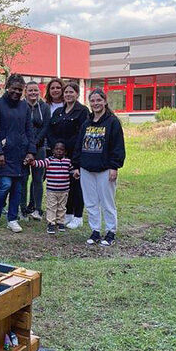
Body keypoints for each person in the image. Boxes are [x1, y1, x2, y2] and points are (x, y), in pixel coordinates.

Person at [72, 88, 126, 247]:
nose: (96, 103)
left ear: (105, 102)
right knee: (90, 202)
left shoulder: (112, 122)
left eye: (99, 100)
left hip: (105, 169)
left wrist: (114, 166)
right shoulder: (86, 123)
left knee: (107, 202)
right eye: (93, 101)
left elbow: (118, 146)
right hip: (86, 168)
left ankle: (110, 232)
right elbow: (79, 145)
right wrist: (76, 165)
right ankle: (95, 231)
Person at [0, 74, 35, 233]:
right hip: (3, 155)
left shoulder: (25, 107)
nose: (16, 92)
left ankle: (12, 219)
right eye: (13, 89)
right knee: (5, 185)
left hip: (20, 154)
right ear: (7, 87)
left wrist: (31, 151)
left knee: (18, 188)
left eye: (20, 90)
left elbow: (29, 130)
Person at [48, 81, 89, 229]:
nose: (68, 94)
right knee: (65, 186)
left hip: (75, 154)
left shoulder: (82, 111)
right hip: (60, 155)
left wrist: (67, 146)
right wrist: (56, 147)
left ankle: (78, 216)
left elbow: (82, 134)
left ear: (77, 94)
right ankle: (68, 214)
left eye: (71, 92)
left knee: (76, 185)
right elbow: (51, 130)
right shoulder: (58, 112)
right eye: (66, 92)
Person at [27, 141, 73, 234]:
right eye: (57, 149)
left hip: (64, 190)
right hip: (52, 190)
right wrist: (32, 162)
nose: (59, 151)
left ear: (65, 152)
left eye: (61, 150)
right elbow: (40, 163)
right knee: (51, 207)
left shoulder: (67, 162)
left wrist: (76, 173)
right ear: (53, 151)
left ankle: (60, 222)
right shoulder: (49, 160)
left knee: (62, 207)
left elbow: (72, 171)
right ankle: (51, 223)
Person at [21, 81, 51, 220]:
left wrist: (35, 144)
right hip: (23, 148)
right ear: (25, 92)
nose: (33, 93)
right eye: (30, 90)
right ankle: (22, 209)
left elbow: (45, 127)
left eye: (36, 90)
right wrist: (28, 145)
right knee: (23, 178)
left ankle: (37, 209)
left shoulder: (44, 107)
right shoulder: (20, 106)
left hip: (39, 147)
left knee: (38, 178)